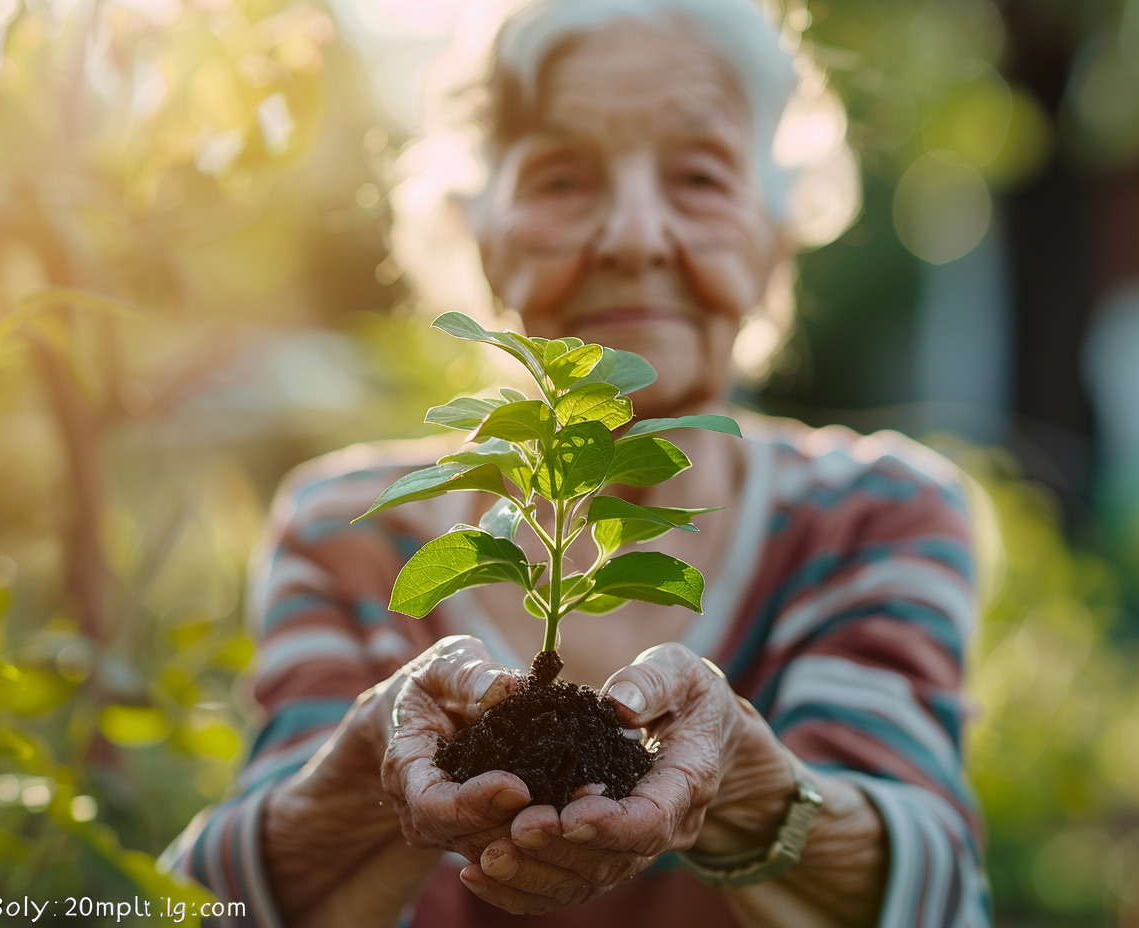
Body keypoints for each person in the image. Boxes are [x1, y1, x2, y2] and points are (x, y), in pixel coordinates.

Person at [165, 1, 990, 925]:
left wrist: (748, 788)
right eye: (561, 179)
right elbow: (194, 906)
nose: (634, 236)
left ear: (776, 232)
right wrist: (363, 779)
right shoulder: (350, 531)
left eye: (701, 176)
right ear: (481, 233)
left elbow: (939, 886)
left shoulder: (875, 515)